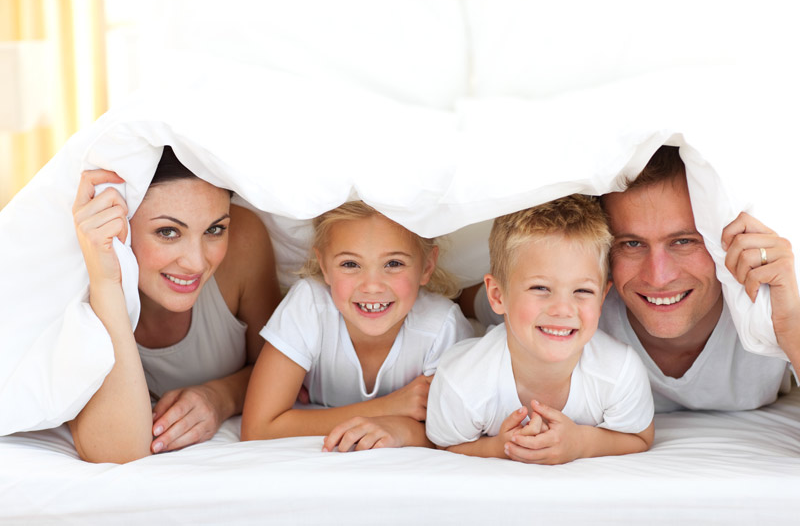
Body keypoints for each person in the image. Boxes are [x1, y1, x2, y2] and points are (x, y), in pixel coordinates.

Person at [465, 146, 797, 413]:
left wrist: (790, 324)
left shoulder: (765, 302)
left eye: (683, 241)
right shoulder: (571, 302)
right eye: (632, 244)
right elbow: (461, 301)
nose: (659, 276)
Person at [70, 146, 281, 463]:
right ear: (119, 226)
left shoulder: (244, 240)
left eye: (214, 229)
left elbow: (283, 371)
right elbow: (117, 452)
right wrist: (106, 281)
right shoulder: (79, 276)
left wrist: (220, 397)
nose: (197, 263)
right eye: (167, 232)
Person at [427, 195, 654, 464]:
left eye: (582, 291)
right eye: (541, 288)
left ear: (602, 298)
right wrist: (500, 447)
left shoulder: (618, 371)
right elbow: (444, 447)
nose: (563, 309)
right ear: (498, 296)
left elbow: (640, 437)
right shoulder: (462, 380)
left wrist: (581, 443)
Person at [241, 200, 473, 452]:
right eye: (350, 264)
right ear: (324, 266)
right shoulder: (310, 305)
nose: (372, 286)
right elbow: (258, 429)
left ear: (427, 266)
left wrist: (406, 430)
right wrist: (388, 408)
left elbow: (454, 434)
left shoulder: (441, 326)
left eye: (393, 263)